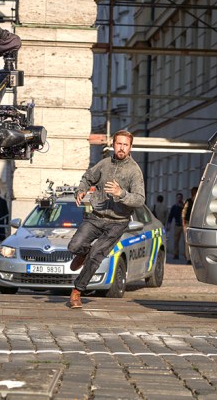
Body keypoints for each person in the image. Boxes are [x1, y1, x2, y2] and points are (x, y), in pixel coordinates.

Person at [67, 130, 145, 309]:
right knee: (74, 246)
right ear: (113, 144)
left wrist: (121, 193)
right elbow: (87, 178)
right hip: (95, 217)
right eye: (119, 144)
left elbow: (140, 199)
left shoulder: (134, 171)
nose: (122, 148)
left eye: (126, 145)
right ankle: (83, 253)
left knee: (96, 255)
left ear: (130, 147)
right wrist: (81, 190)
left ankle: (77, 291)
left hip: (117, 222)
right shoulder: (103, 164)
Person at [181, 186, 198, 264]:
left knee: (196, 242)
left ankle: (194, 258)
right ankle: (188, 258)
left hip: (196, 224)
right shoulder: (188, 201)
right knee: (187, 242)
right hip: (188, 223)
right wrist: (183, 222)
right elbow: (184, 212)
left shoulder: (199, 201)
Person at [167, 193, 184, 259]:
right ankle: (176, 254)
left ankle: (187, 255)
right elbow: (171, 216)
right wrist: (169, 223)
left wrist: (182, 206)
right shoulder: (174, 207)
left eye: (180, 198)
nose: (179, 199)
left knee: (185, 241)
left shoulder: (184, 206)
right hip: (177, 225)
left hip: (184, 225)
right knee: (176, 240)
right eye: (178, 198)